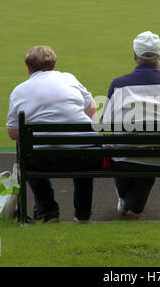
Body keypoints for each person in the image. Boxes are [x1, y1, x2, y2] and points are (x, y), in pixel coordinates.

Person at [6, 46, 102, 223]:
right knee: (86, 148)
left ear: (28, 68)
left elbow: (13, 133)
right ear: (54, 64)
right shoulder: (69, 79)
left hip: (42, 160)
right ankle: (82, 214)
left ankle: (48, 210)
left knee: (28, 154)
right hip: (85, 158)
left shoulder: (19, 91)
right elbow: (92, 108)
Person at [101, 31, 160, 216]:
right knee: (148, 149)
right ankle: (130, 202)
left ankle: (128, 201)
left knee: (118, 144)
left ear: (134, 55)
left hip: (125, 158)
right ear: (159, 57)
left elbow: (105, 124)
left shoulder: (119, 84)